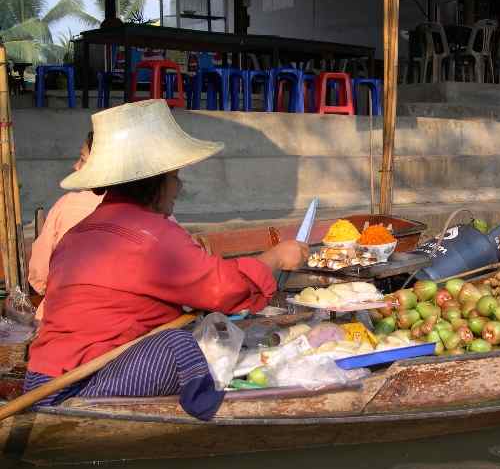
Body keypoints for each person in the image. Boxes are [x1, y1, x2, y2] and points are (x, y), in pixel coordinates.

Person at [24, 100, 308, 420]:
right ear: (156, 182)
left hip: (42, 378)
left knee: (195, 334)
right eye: (174, 177)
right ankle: (211, 419)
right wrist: (274, 258)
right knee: (179, 345)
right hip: (76, 387)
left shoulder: (80, 232)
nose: (178, 187)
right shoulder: (151, 236)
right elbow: (225, 288)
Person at [28, 132, 104, 321]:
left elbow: (39, 275)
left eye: (82, 159)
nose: (75, 166)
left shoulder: (68, 205)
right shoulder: (155, 212)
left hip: (61, 322)